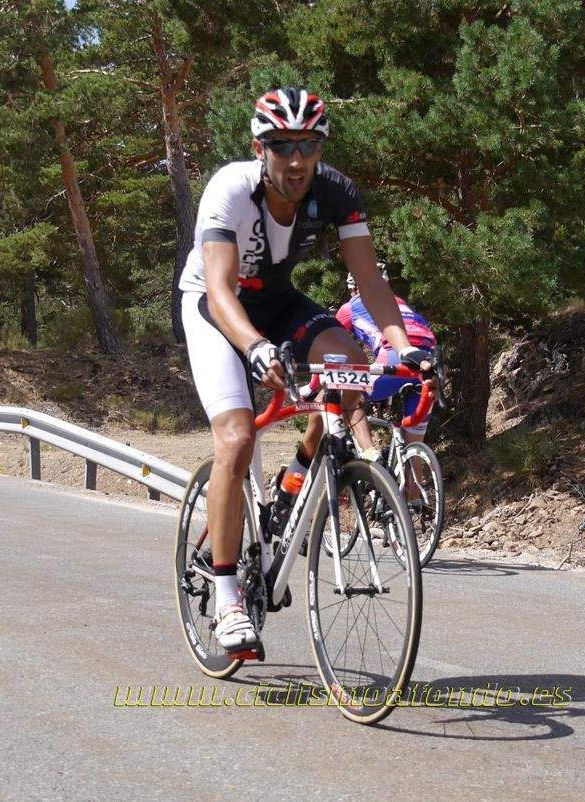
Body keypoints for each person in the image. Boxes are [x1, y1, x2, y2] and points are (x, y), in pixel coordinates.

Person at [177, 88, 432, 655]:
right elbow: (220, 291)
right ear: (259, 148)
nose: (296, 161)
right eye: (282, 146)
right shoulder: (230, 190)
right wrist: (255, 349)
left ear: (319, 148)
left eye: (307, 146)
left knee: (348, 361)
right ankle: (226, 597)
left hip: (278, 299)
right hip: (216, 308)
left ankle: (296, 482)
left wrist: (401, 347)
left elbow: (370, 283)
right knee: (238, 437)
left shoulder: (335, 191)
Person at [336, 262, 438, 447]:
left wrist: (311, 387)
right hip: (428, 364)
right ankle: (414, 472)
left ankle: (369, 454)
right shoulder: (400, 303)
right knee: (413, 446)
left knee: (347, 394)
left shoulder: (351, 306)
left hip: (394, 358)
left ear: (352, 287)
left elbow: (331, 346)